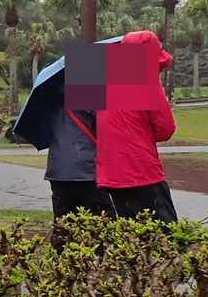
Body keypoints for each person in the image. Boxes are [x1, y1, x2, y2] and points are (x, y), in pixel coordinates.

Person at [96, 29, 178, 223]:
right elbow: (166, 128)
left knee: (128, 230)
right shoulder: (146, 79)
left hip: (111, 172)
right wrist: (144, 135)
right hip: (141, 170)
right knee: (164, 229)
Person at [45, 92, 112, 219]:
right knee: (101, 219)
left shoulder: (49, 98)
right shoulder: (87, 94)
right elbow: (105, 125)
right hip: (86, 167)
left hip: (58, 169)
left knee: (65, 221)